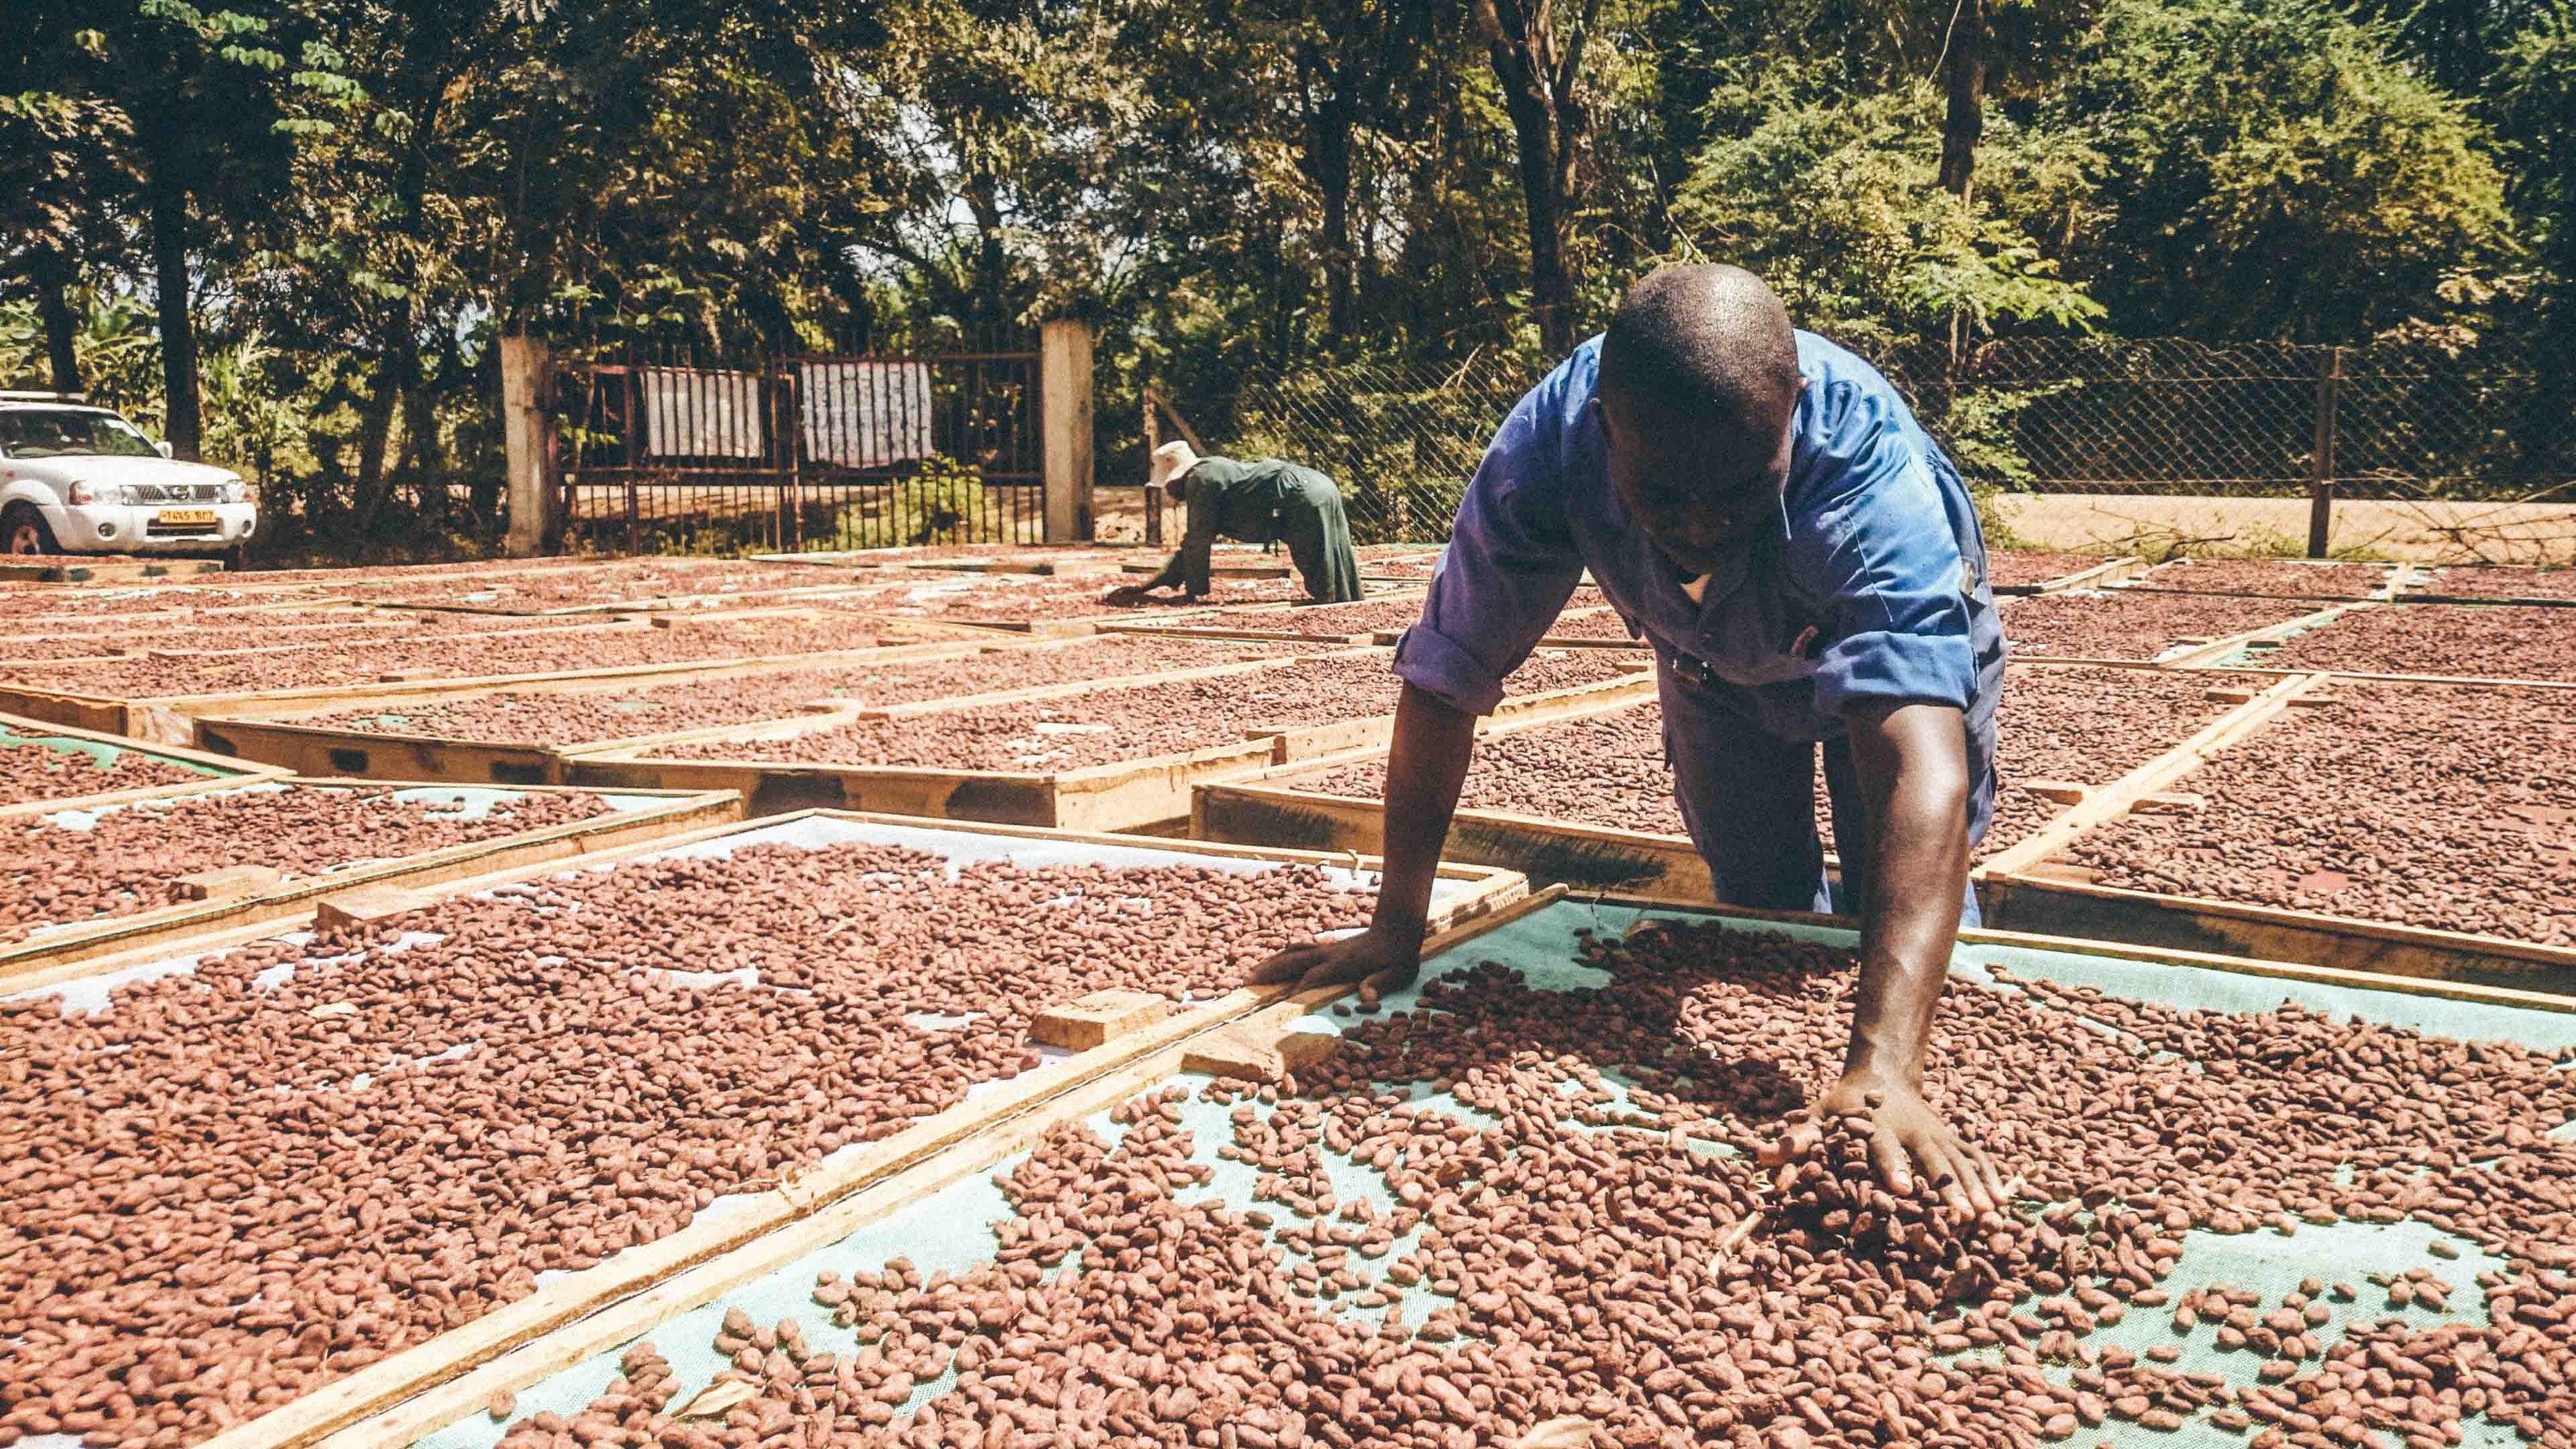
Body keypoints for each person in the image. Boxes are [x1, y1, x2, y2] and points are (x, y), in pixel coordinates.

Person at [1250, 264, 2010, 1210]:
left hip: (1887, 659)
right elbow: (1445, 680)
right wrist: (1396, 924)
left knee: (1895, 899)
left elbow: (1917, 761)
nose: (1700, 525)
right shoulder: (1545, 450)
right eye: (1661, 496)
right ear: (1606, 423)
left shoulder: (1864, 464)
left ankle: (1909, 1072)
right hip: (1713, 666)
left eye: (1739, 490)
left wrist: (1883, 1065)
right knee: (1760, 907)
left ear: (1793, 415)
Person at [1104, 440, 1364, 606]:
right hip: (1318, 484)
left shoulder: (1201, 480)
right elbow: (1192, 545)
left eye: (1169, 486)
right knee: (1334, 555)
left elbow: (1198, 539)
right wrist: (1149, 586)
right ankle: (1348, 601)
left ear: (1176, 478)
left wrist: (1192, 594)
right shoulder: (1209, 471)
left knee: (1319, 565)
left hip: (1301, 494)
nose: (1169, 492)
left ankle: (1338, 606)